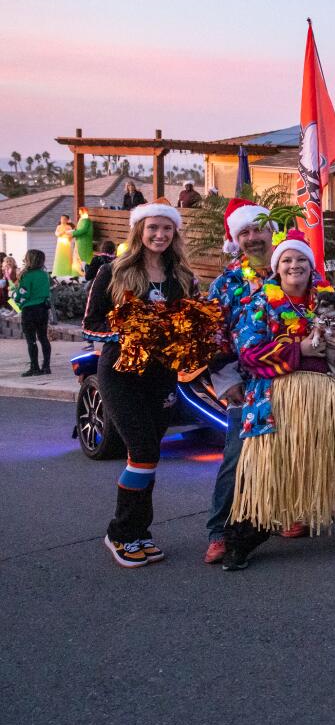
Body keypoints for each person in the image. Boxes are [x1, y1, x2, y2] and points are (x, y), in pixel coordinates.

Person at [226, 231, 335, 570]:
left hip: (334, 395)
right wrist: (297, 349)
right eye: (287, 260)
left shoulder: (332, 299)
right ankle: (247, 535)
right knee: (274, 468)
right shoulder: (260, 303)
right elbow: (248, 354)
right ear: (277, 267)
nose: (294, 266)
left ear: (311, 265)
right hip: (282, 400)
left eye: (301, 259)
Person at [83, 198, 198, 568]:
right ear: (139, 231)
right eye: (152, 228)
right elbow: (90, 323)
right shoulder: (113, 271)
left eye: (167, 228)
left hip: (161, 376)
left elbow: (190, 324)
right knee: (143, 451)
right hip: (120, 373)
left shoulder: (182, 276)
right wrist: (127, 332)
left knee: (148, 455)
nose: (160, 234)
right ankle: (120, 533)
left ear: (174, 232)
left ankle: (139, 532)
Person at [201, 199, 276, 564]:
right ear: (236, 239)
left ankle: (278, 515)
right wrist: (225, 380)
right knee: (237, 457)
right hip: (244, 387)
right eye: (244, 232)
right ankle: (219, 530)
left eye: (258, 229)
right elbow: (213, 336)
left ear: (271, 231)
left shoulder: (292, 269)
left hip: (289, 383)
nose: (253, 238)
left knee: (283, 453)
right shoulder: (226, 283)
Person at [15, 249, 53, 377]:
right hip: (43, 308)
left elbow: (23, 294)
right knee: (43, 338)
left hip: (30, 310)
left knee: (31, 340)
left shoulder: (27, 275)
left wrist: (16, 301)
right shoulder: (44, 274)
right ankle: (46, 366)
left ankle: (34, 367)